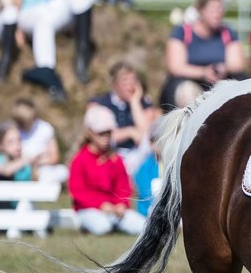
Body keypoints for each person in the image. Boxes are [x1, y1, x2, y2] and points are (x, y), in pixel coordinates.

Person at [68, 104, 147, 236]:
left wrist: (121, 204)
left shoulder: (116, 159)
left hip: (115, 210)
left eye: (108, 133)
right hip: (88, 209)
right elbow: (78, 192)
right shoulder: (80, 159)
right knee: (103, 227)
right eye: (100, 133)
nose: (105, 137)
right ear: (89, 133)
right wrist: (101, 205)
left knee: (143, 226)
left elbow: (123, 187)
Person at [161, 0, 246, 110]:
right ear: (200, 10)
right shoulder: (182, 32)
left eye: (220, 8)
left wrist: (223, 68)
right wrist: (203, 72)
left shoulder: (227, 33)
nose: (218, 13)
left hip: (220, 81)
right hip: (189, 82)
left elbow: (237, 64)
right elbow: (175, 67)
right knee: (188, 94)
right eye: (213, 9)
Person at [92, 61, 158, 171]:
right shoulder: (102, 103)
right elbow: (100, 136)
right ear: (114, 84)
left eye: (133, 80)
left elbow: (146, 134)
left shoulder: (143, 102)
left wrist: (134, 101)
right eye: (125, 81)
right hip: (111, 154)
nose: (130, 85)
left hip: (137, 154)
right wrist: (130, 132)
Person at [0, 119, 37, 210]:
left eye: (19, 140)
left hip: (12, 210)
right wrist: (25, 160)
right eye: (11, 142)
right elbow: (5, 171)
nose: (17, 146)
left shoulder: (24, 167)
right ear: (0, 145)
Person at [10, 96, 66, 184]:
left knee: (63, 171)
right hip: (22, 168)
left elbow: (54, 157)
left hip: (43, 169)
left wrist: (38, 162)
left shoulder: (45, 128)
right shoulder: (14, 130)